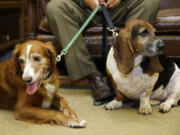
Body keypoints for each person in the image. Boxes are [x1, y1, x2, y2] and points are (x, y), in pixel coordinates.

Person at [45, 0, 159, 102]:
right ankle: (92, 76)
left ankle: (129, 71)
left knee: (149, 2)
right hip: (83, 9)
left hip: (122, 8)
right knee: (54, 7)